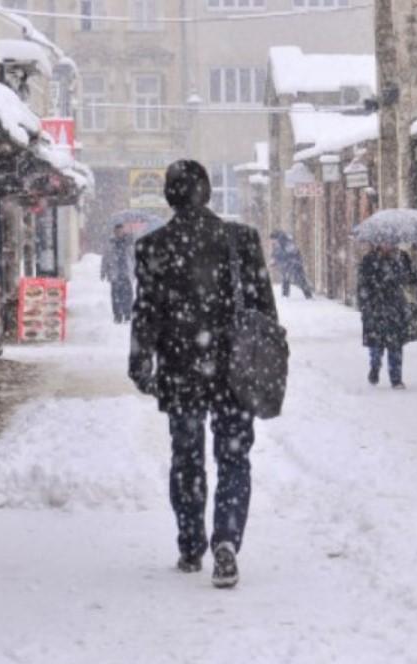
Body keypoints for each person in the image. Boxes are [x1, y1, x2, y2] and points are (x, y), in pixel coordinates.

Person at [129, 160, 277, 589]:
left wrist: (141, 362)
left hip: (181, 368)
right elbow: (264, 311)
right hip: (234, 368)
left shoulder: (155, 247)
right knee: (233, 456)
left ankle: (191, 543)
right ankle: (227, 538)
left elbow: (146, 313)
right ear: (208, 193)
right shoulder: (240, 240)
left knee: (187, 457)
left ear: (169, 196)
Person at [357, 244, 417, 389]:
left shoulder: (402, 258)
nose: (388, 245)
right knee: (376, 344)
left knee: (395, 344)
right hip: (375, 308)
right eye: (384, 242)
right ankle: (375, 367)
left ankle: (396, 378)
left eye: (391, 241)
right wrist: (365, 304)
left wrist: (405, 275)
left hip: (395, 307)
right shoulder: (369, 260)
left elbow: (413, 279)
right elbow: (362, 285)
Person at [100, 223, 135, 324]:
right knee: (116, 296)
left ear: (123, 231)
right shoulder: (110, 243)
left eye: (121, 231)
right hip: (115, 273)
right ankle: (118, 316)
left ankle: (127, 314)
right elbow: (105, 258)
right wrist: (103, 271)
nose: (119, 233)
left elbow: (134, 257)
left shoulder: (129, 242)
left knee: (128, 295)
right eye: (117, 231)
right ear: (114, 232)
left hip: (126, 273)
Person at [269, 230, 312, 299]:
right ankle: (285, 296)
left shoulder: (286, 242)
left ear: (275, 238)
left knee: (300, 279)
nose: (272, 242)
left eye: (272, 240)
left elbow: (290, 253)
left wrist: (277, 260)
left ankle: (308, 295)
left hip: (294, 263)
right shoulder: (278, 244)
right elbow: (275, 253)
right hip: (288, 264)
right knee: (286, 278)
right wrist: (274, 261)